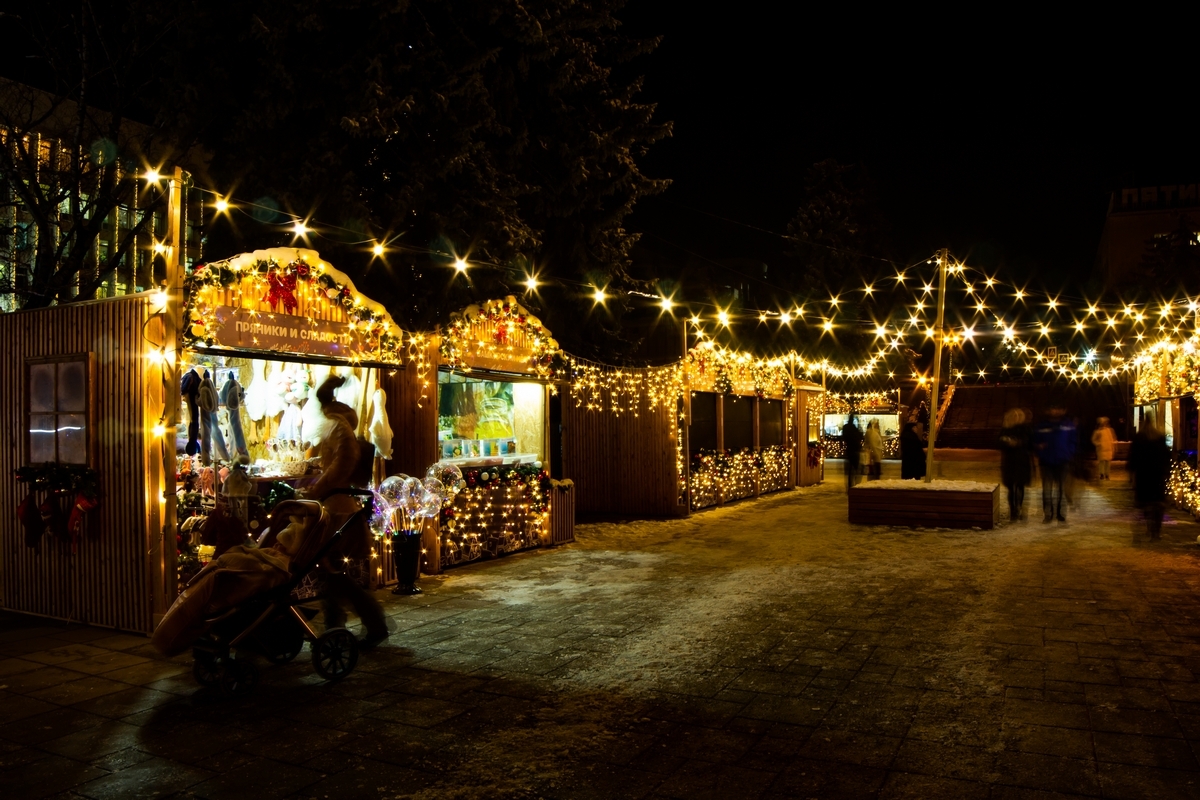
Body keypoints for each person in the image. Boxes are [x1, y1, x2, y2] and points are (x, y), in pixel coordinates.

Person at [299, 375, 390, 649]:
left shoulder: (337, 427)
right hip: (334, 505)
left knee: (334, 572)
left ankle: (360, 624)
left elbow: (344, 461)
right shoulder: (337, 425)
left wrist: (322, 485)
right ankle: (338, 626)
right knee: (332, 573)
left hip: (337, 508)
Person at [1033, 405, 1076, 523]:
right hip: (1046, 462)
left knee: (1061, 489)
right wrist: (1039, 449)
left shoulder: (1068, 425)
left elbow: (1073, 441)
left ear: (1063, 410)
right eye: (1053, 408)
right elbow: (1035, 442)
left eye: (1058, 408)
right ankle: (1048, 514)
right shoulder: (1041, 425)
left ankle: (1061, 514)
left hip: (1062, 461)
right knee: (1047, 490)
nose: (1056, 411)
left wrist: (1068, 453)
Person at [1129, 420, 1170, 539]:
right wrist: (1165, 471)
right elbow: (1166, 456)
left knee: (1145, 503)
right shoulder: (1159, 438)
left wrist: (1132, 473)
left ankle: (1148, 527)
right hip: (1157, 476)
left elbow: (1133, 457)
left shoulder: (1139, 439)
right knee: (1158, 504)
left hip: (1143, 476)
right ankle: (1155, 531)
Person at [998, 409, 1031, 521]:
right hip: (1009, 462)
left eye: (1019, 416)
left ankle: (1019, 507)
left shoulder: (1025, 429)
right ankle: (1013, 510)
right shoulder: (1005, 430)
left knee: (1020, 486)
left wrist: (1019, 443)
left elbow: (1029, 443)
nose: (1016, 418)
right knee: (1011, 488)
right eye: (1014, 416)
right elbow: (998, 443)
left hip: (1022, 462)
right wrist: (1007, 443)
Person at [843, 415, 864, 490]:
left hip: (849, 450)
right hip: (855, 450)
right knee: (855, 469)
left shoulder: (846, 427)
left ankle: (850, 485)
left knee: (849, 470)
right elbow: (860, 436)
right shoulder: (855, 428)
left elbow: (844, 437)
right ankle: (854, 484)